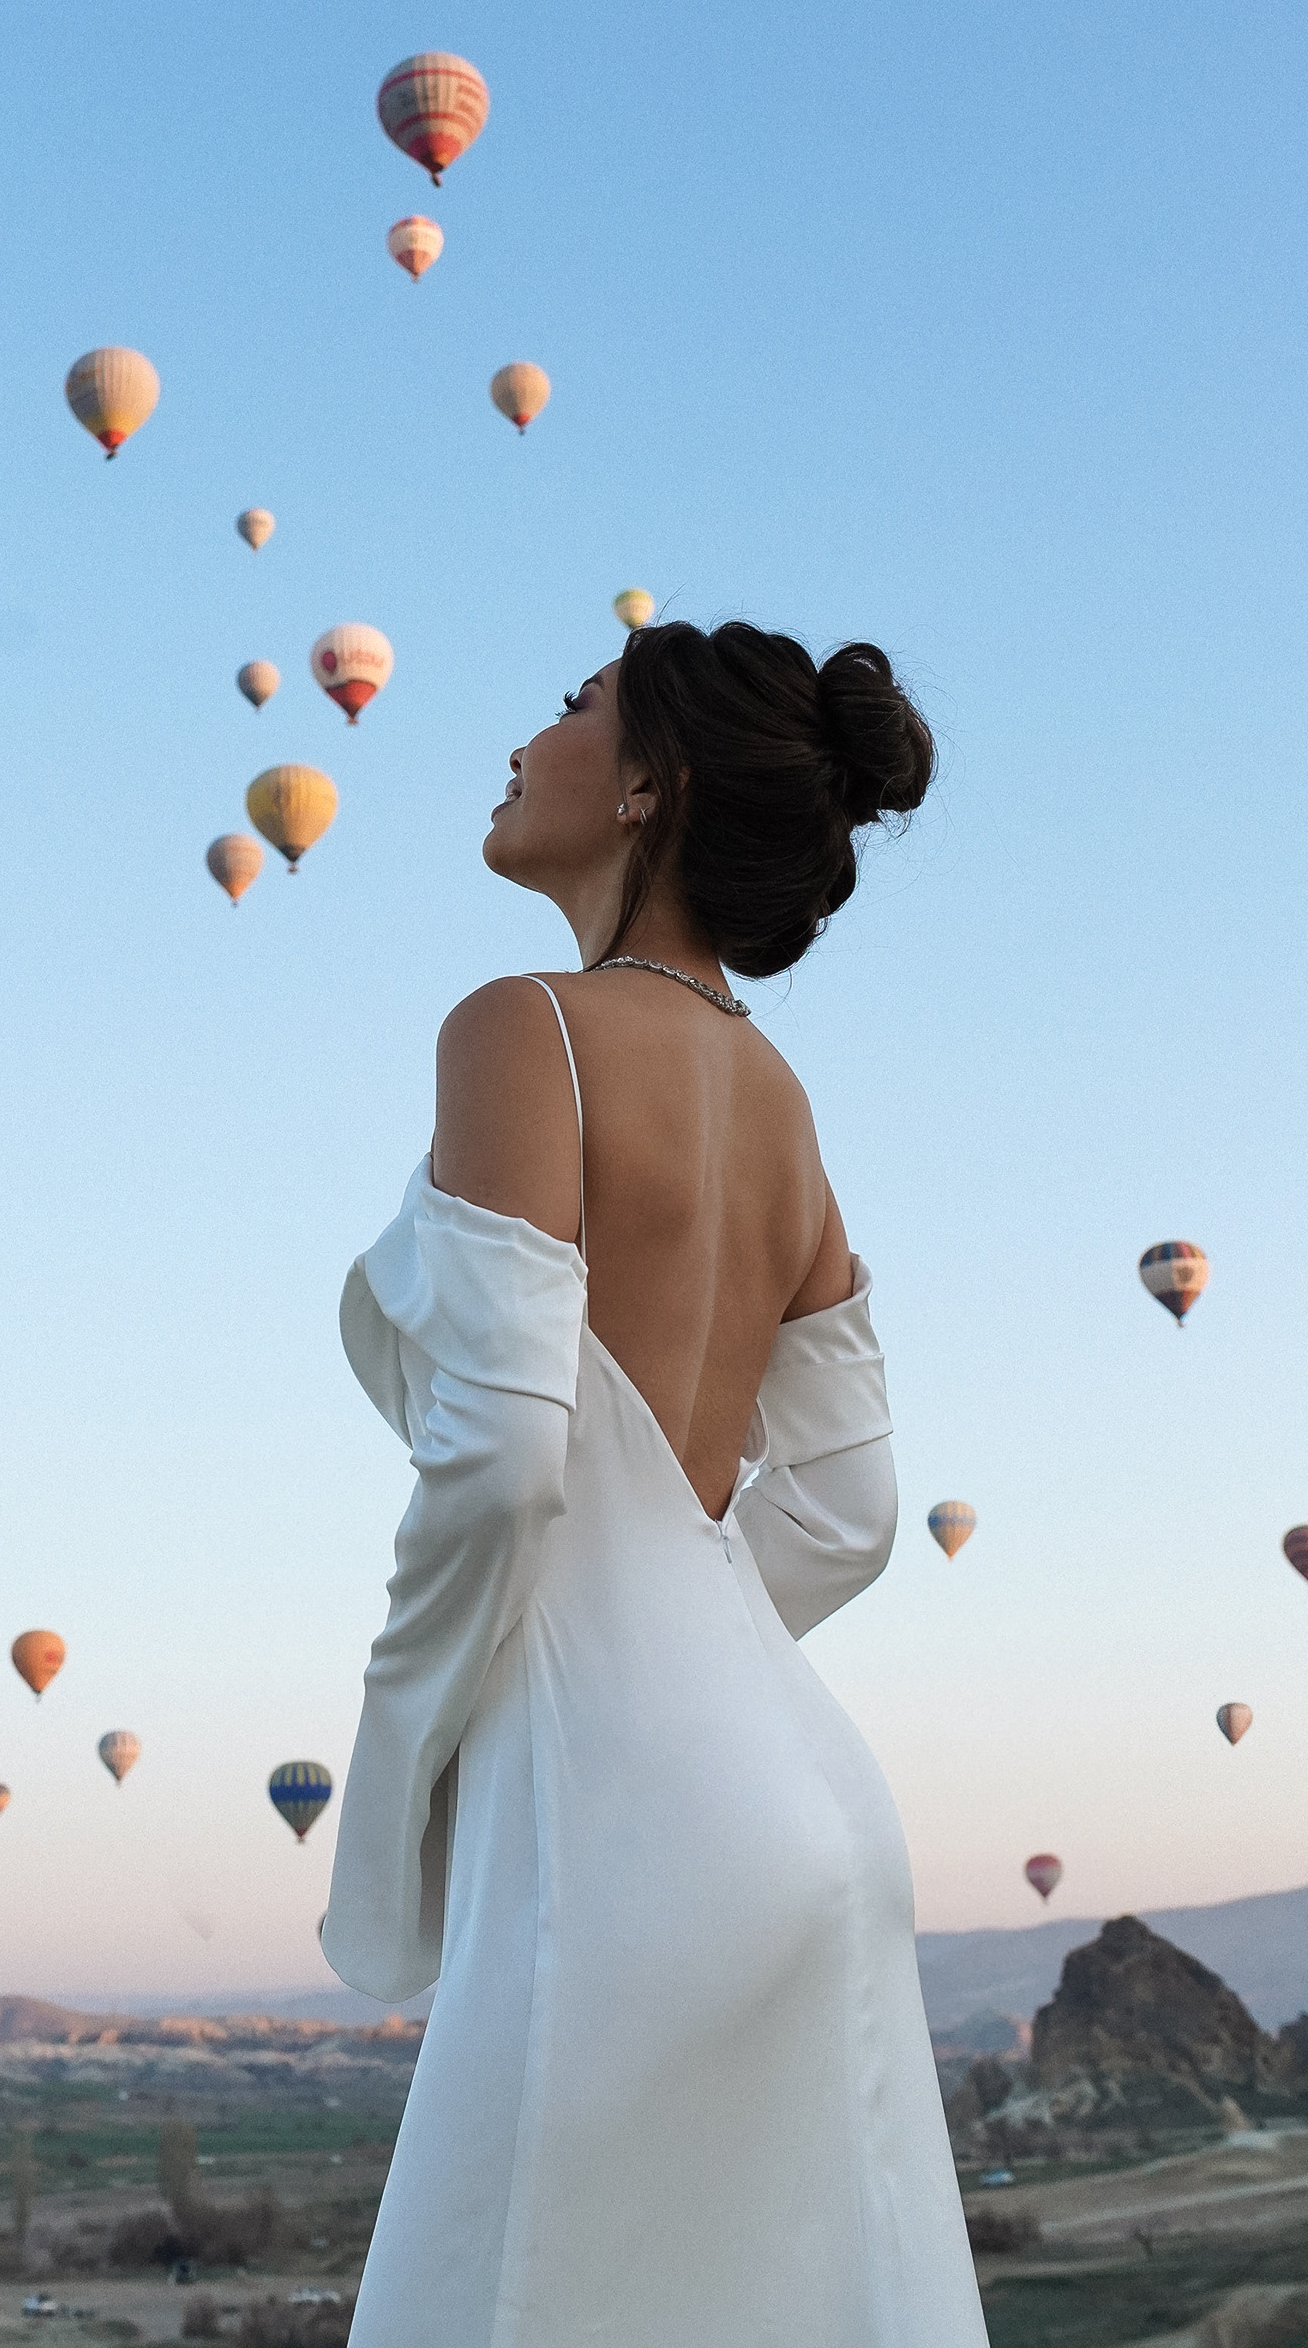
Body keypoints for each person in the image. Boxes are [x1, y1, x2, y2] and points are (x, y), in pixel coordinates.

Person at [320, 620, 986, 2347]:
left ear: (644, 788)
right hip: (807, 1820)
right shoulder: (784, 1108)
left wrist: (399, 1777)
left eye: (574, 705)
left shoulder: (518, 1030)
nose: (528, 733)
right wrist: (683, 1633)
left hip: (616, 1841)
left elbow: (502, 1455)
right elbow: (848, 1509)